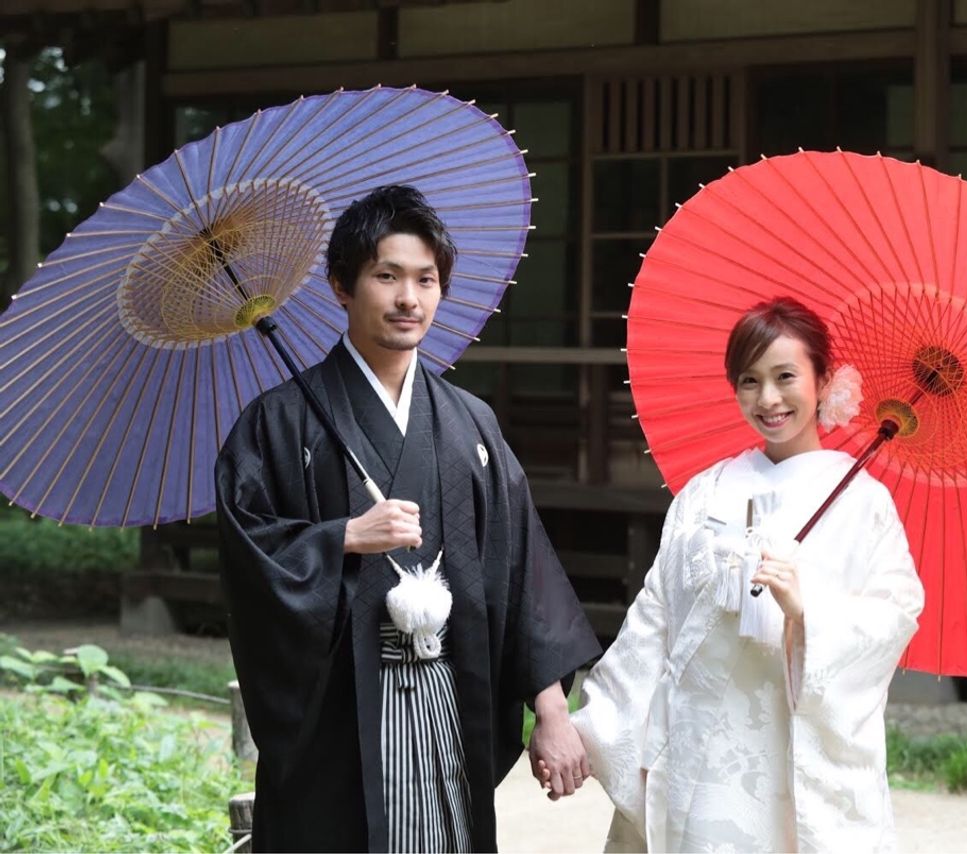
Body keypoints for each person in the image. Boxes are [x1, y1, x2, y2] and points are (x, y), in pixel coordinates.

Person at [216, 185, 601, 853]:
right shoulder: (279, 422)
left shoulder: (470, 425)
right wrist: (342, 537)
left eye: (426, 280)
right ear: (342, 287)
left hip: (451, 702)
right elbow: (248, 557)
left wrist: (552, 711)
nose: (408, 299)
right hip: (335, 722)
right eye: (386, 276)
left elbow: (522, 572)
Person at [568, 296, 924, 852]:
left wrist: (808, 611)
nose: (769, 399)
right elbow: (654, 617)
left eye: (786, 377)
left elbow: (895, 614)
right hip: (700, 754)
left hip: (796, 762)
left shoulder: (863, 504)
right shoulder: (706, 493)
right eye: (750, 381)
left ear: (823, 379)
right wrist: (591, 727)